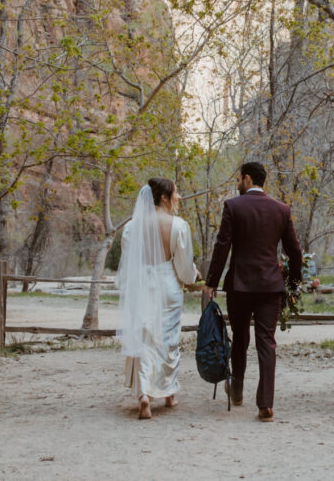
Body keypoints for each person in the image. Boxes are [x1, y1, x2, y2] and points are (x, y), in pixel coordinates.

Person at [204, 162, 303, 422]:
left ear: (247, 179)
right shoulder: (282, 209)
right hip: (270, 286)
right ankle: (265, 404)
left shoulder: (233, 207)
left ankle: (237, 391)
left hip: (240, 285)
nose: (237, 183)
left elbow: (222, 245)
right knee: (266, 341)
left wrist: (211, 280)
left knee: (240, 338)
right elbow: (295, 251)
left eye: (239, 178)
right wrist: (293, 283)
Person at [117, 177, 198, 420]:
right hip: (167, 286)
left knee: (144, 337)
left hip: (142, 285)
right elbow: (183, 267)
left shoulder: (132, 227)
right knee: (167, 340)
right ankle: (169, 393)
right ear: (164, 197)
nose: (179, 196)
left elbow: (128, 261)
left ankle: (144, 395)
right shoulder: (179, 226)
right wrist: (193, 277)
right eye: (176, 192)